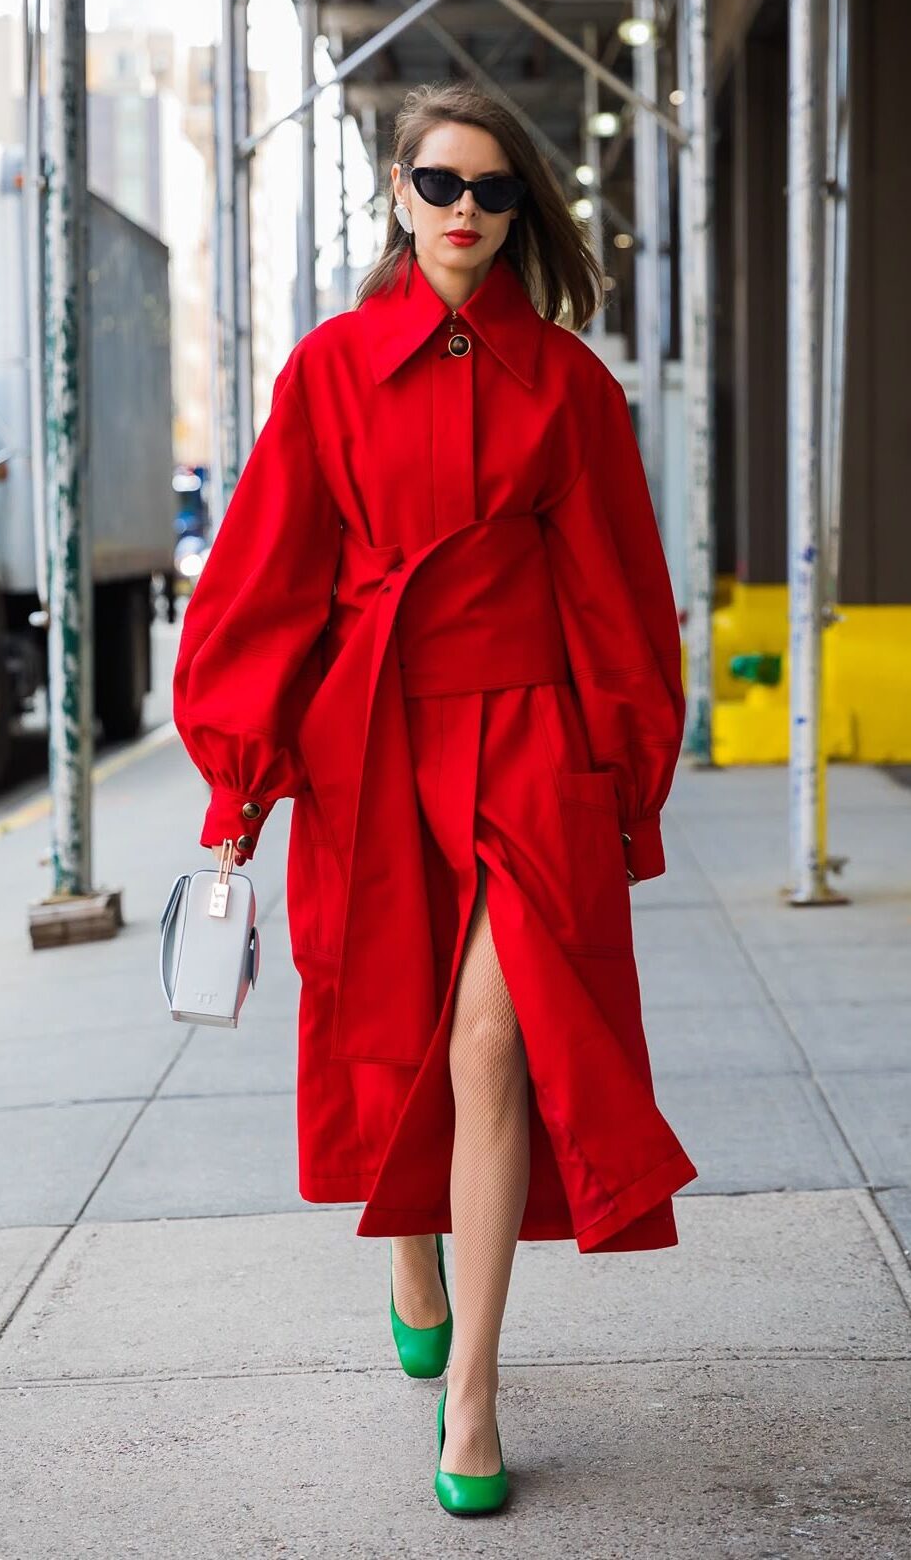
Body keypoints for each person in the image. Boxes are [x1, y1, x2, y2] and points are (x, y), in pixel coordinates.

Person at [173, 80, 697, 1517]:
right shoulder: (330, 374)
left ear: (523, 209)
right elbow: (269, 574)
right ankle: (409, 1252)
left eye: (494, 190)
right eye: (440, 183)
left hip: (527, 738)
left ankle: (473, 1394)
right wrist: (241, 770)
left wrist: (627, 775)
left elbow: (620, 595)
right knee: (396, 1027)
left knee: (492, 1044)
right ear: (398, 194)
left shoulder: (573, 389)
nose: (467, 212)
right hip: (373, 737)